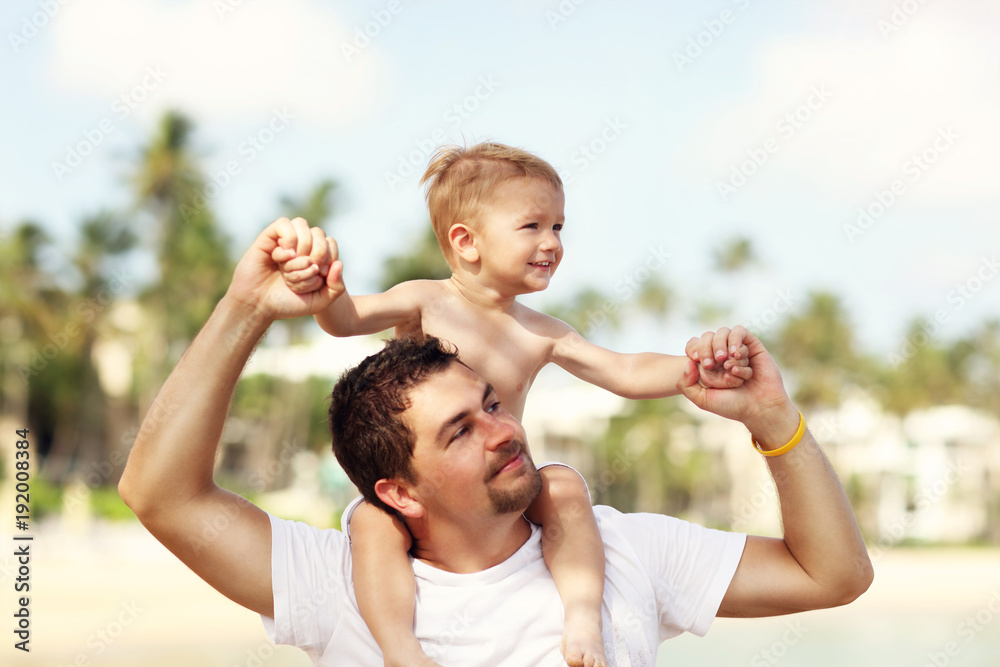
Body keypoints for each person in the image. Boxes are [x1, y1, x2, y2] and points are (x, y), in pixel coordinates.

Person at [118, 219, 874, 666]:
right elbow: (161, 494)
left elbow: (831, 573)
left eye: (488, 403)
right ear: (398, 491)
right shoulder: (339, 579)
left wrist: (773, 422)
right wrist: (245, 307)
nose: (504, 428)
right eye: (460, 429)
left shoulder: (619, 549)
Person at [272, 142, 752, 667]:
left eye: (559, 227)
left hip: (502, 485)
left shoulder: (541, 331)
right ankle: (400, 650)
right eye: (533, 226)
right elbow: (346, 319)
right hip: (430, 493)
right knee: (370, 520)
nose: (552, 242)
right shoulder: (425, 299)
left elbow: (624, 371)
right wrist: (323, 289)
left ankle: (583, 617)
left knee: (566, 484)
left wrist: (692, 371)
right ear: (466, 241)